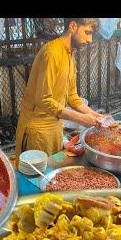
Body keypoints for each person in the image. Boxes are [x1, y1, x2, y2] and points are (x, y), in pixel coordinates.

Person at [15, 18, 109, 157]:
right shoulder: (52, 52)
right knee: (39, 176)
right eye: (87, 32)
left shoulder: (70, 56)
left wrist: (96, 116)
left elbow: (73, 97)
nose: (90, 40)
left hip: (55, 126)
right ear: (73, 26)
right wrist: (81, 119)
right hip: (38, 131)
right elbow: (43, 100)